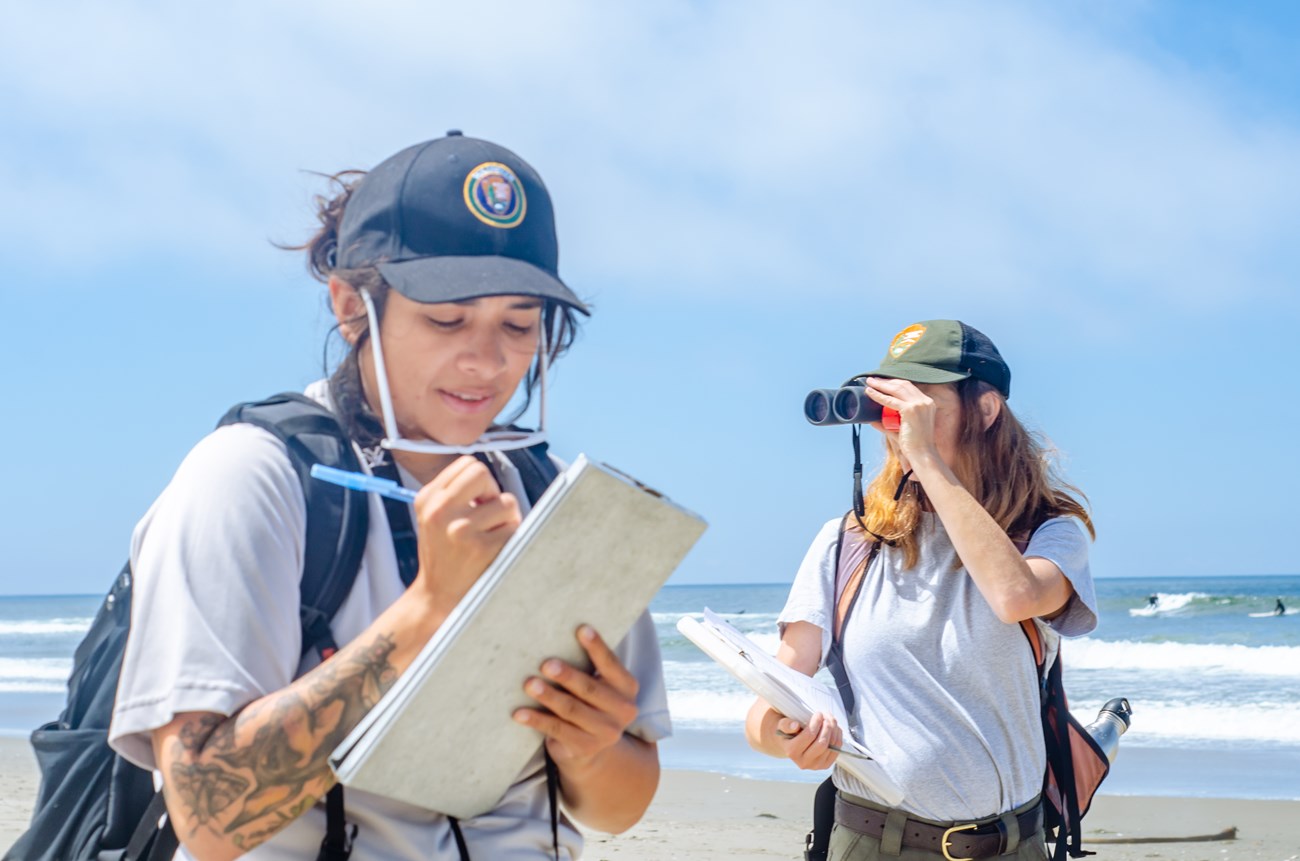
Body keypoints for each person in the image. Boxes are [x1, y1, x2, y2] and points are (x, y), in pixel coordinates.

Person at [108, 132, 670, 860]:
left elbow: (621, 805)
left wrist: (592, 747)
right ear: (350, 306)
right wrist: (426, 610)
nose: (488, 358)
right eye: (446, 318)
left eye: (518, 323)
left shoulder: (558, 498)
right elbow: (207, 818)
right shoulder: (254, 478)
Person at [745, 320, 1097, 861]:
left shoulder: (1048, 532)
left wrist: (927, 460)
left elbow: (1015, 597)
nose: (899, 422)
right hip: (871, 840)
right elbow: (765, 712)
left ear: (985, 409)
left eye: (919, 403)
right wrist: (786, 739)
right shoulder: (848, 544)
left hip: (1007, 846)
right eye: (889, 404)